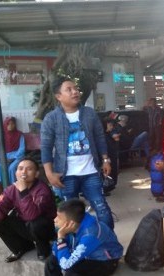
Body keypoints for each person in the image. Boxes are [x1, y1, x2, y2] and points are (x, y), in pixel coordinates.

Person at [40, 76, 114, 229]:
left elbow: (100, 137)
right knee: (67, 216)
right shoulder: (51, 118)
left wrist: (105, 159)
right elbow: (46, 147)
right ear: (58, 96)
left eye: (75, 88)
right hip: (65, 176)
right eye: (69, 89)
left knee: (102, 209)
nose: (75, 92)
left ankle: (108, 245)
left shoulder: (89, 114)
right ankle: (71, 248)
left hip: (91, 172)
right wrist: (49, 173)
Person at [0, 157, 56, 262]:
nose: (24, 172)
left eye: (29, 169)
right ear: (16, 172)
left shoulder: (42, 190)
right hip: (26, 226)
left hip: (45, 230)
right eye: (20, 169)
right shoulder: (11, 190)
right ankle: (21, 247)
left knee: (35, 223)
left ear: (36, 174)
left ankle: (43, 248)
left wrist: (23, 191)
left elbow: (32, 215)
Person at [44, 199, 123, 276]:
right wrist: (60, 241)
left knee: (72, 272)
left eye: (59, 217)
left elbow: (66, 265)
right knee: (50, 262)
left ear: (71, 223)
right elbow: (56, 252)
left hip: (105, 261)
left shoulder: (90, 235)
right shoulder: (76, 222)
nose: (55, 219)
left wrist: (61, 237)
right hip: (86, 255)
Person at [0, 117, 25, 194]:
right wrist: (4, 158)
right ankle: (2, 189)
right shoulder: (2, 136)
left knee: (12, 168)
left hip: (18, 156)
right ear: (5, 125)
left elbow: (22, 148)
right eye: (8, 124)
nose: (11, 126)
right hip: (5, 157)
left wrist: (14, 157)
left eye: (12, 124)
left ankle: (13, 188)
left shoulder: (19, 134)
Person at [103, 118, 120, 192]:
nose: (111, 127)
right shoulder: (102, 135)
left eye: (112, 125)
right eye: (110, 125)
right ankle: (105, 187)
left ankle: (109, 185)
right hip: (108, 156)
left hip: (112, 155)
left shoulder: (109, 133)